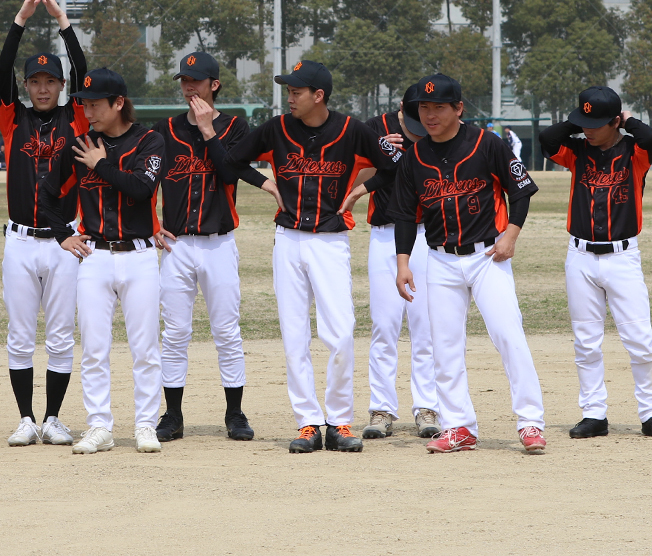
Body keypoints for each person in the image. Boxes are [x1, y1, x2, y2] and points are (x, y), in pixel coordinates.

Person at [229, 61, 399, 454]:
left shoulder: (352, 130)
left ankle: (338, 421)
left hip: (330, 241)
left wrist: (361, 190)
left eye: (296, 91)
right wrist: (265, 182)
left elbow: (395, 165)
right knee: (294, 336)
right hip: (288, 239)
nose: (289, 97)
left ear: (318, 95)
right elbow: (231, 158)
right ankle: (308, 422)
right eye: (288, 91)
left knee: (339, 334)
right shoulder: (276, 128)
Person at [390, 73, 547, 454]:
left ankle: (530, 422)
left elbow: (520, 189)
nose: (430, 115)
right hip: (440, 261)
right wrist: (403, 263)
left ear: (458, 108)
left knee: (508, 334)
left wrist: (511, 233)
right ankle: (459, 426)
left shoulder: (485, 144)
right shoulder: (415, 157)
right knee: (444, 346)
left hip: (486, 256)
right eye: (423, 108)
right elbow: (405, 215)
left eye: (438, 107)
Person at [39, 68, 165, 454]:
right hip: (94, 256)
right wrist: (63, 234)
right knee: (94, 348)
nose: (87, 110)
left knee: (145, 349)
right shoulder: (79, 145)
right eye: (84, 103)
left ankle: (145, 424)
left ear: (118, 103)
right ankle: (100, 426)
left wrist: (101, 165)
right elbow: (46, 195)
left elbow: (142, 189)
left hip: (141, 254)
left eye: (95, 104)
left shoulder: (149, 140)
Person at [537, 86, 652, 439]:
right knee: (586, 341)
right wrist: (576, 121)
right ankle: (594, 414)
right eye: (584, 122)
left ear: (616, 121)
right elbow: (547, 139)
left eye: (597, 123)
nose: (588, 130)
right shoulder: (576, 151)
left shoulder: (635, 153)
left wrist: (627, 120)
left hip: (623, 257)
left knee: (640, 340)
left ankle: (651, 412)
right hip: (579, 257)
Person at [150, 51, 261, 443]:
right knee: (175, 332)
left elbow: (232, 171)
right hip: (177, 246)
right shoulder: (165, 130)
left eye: (196, 80)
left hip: (219, 244)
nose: (188, 86)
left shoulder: (235, 127)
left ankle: (235, 413)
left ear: (214, 84)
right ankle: (173, 415)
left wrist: (208, 129)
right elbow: (147, 180)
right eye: (183, 80)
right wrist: (153, 225)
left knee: (227, 331)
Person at [0, 0, 88, 447]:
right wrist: (20, 21)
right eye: (36, 81)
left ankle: (53, 418)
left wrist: (62, 23)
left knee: (59, 334)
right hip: (19, 240)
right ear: (27, 85)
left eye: (51, 80)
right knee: (19, 333)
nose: (44, 86)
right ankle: (25, 419)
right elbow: (0, 73)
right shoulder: (15, 120)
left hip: (65, 240)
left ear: (62, 85)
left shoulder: (77, 119)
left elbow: (85, 68)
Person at [359, 85, 440, 440]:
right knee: (385, 324)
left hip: (427, 235)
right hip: (384, 234)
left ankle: (427, 407)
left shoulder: (438, 133)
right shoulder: (374, 130)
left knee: (425, 324)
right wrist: (383, 156)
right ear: (403, 112)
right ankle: (381, 409)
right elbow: (356, 179)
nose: (425, 123)